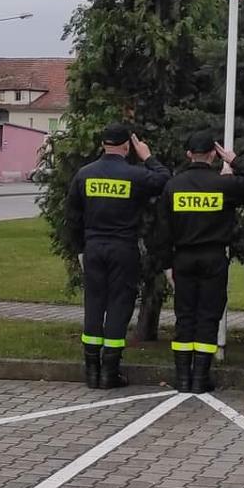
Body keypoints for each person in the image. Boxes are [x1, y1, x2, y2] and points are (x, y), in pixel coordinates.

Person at [62, 122, 169, 389]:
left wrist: (80, 249)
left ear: (102, 145)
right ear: (126, 146)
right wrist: (147, 156)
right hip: (123, 248)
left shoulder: (84, 175)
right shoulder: (133, 174)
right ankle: (110, 372)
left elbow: (72, 216)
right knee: (120, 305)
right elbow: (164, 180)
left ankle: (92, 372)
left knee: (94, 305)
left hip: (94, 247)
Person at [158, 131, 244, 393]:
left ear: (188, 155)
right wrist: (235, 161)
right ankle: (200, 379)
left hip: (183, 257)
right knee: (208, 315)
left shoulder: (173, 185)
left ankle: (183, 379)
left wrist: (166, 264)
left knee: (184, 316)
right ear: (214, 155)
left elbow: (161, 230)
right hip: (214, 257)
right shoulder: (223, 185)